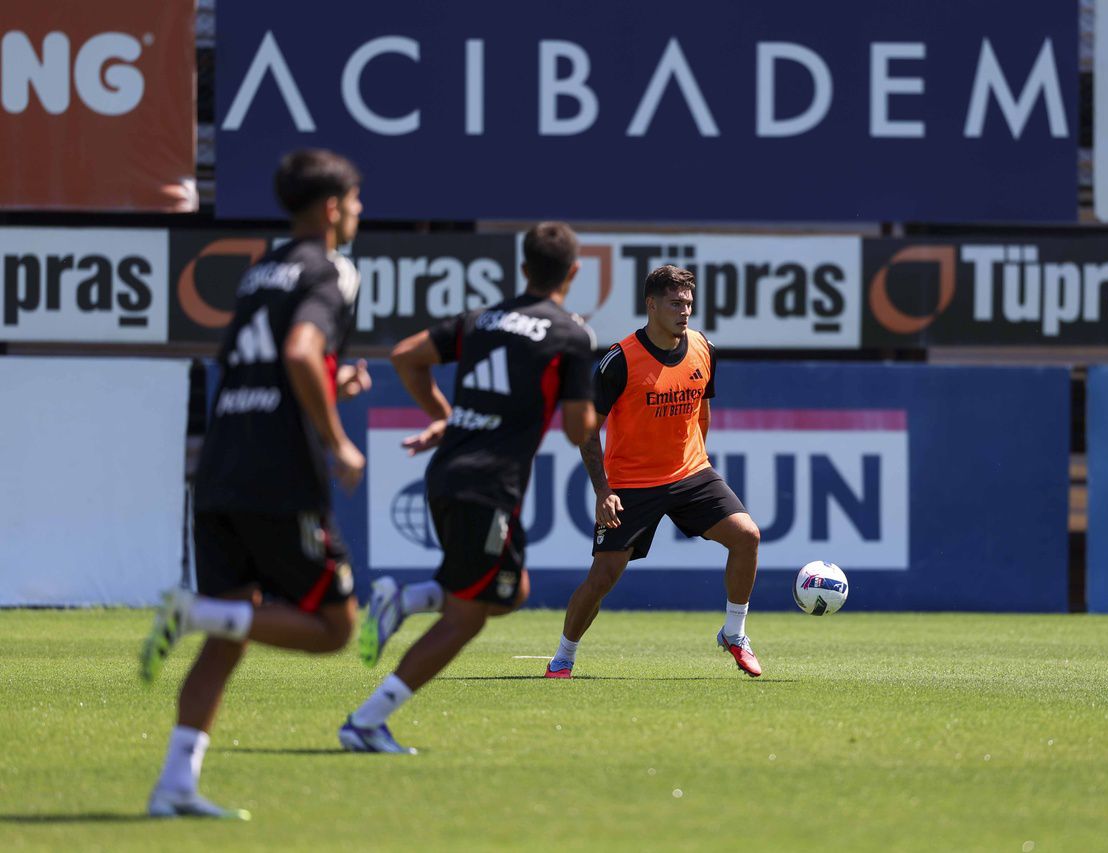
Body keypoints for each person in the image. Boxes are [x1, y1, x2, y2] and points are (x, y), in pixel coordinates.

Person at [138, 149, 370, 819]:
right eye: (355, 200)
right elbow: (298, 351)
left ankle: (175, 783)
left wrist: (331, 382)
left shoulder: (259, 270)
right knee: (335, 628)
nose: (359, 211)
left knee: (231, 629)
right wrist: (338, 440)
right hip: (279, 473)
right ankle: (191, 611)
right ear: (332, 208)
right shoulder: (331, 269)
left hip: (221, 465)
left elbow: (269, 361)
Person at [339, 221, 596, 753]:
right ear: (573, 272)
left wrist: (445, 415)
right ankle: (366, 721)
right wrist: (592, 401)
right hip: (489, 484)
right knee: (467, 617)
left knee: (510, 592)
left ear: (523, 268)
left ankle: (403, 599)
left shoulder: (481, 319)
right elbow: (578, 430)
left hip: (447, 473)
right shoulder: (570, 335)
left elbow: (405, 355)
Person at [545, 264, 763, 679]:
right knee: (603, 577)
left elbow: (702, 408)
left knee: (747, 536)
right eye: (676, 303)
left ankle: (734, 633)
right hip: (631, 484)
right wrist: (603, 490)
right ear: (651, 305)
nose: (685, 311)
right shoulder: (620, 360)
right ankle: (563, 657)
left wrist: (699, 460)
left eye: (689, 303)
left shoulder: (703, 348)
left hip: (691, 473)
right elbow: (587, 430)